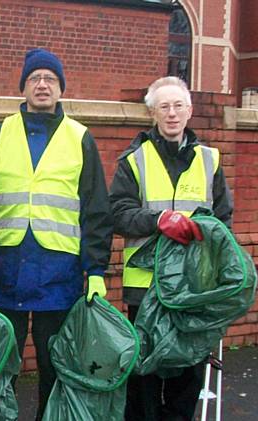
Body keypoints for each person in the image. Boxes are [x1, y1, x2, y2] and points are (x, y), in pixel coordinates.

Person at [0, 48, 113, 419]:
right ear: (23, 87)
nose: (42, 85)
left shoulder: (80, 138)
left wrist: (97, 270)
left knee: (55, 367)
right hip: (2, 270)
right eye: (34, 78)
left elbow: (96, 211)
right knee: (0, 365)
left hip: (59, 272)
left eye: (50, 79)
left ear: (60, 88)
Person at [109, 76, 233, 421]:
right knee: (143, 377)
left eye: (178, 105)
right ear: (153, 113)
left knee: (187, 375)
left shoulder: (211, 160)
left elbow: (224, 219)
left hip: (194, 289)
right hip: (145, 289)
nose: (172, 113)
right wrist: (158, 220)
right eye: (164, 106)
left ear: (190, 111)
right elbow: (117, 214)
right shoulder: (134, 160)